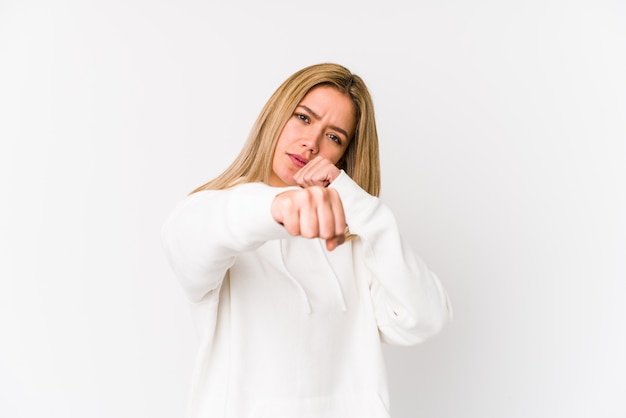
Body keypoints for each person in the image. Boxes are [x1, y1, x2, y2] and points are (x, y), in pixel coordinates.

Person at [161, 63, 452, 418]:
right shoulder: (220, 217)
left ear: (343, 156)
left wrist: (364, 210)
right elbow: (190, 232)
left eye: (333, 137)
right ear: (277, 115)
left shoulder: (356, 241)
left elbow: (426, 318)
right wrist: (278, 206)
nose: (311, 143)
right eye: (303, 117)